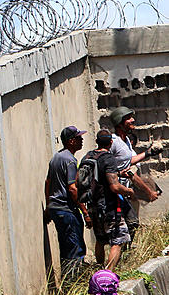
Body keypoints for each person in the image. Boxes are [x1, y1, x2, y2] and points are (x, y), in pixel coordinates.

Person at [84, 129, 135, 269]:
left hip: (93, 205)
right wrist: (129, 191)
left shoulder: (88, 156)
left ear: (96, 142)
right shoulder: (108, 158)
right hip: (109, 207)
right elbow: (114, 187)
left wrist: (118, 173)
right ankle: (108, 274)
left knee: (100, 240)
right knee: (117, 240)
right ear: (111, 142)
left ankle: (99, 271)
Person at [108, 107, 162, 239]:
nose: (133, 120)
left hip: (126, 189)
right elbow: (107, 165)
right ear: (120, 122)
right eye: (128, 118)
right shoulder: (113, 142)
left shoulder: (125, 140)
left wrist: (148, 153)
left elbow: (129, 161)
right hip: (116, 191)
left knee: (131, 224)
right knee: (129, 225)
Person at [45, 126, 91, 280]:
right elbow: (72, 189)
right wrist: (85, 212)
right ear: (71, 141)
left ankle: (67, 283)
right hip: (67, 210)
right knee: (75, 248)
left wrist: (48, 206)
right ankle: (73, 284)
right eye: (78, 138)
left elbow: (48, 182)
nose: (81, 140)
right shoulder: (70, 161)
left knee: (65, 247)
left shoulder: (56, 158)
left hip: (56, 209)